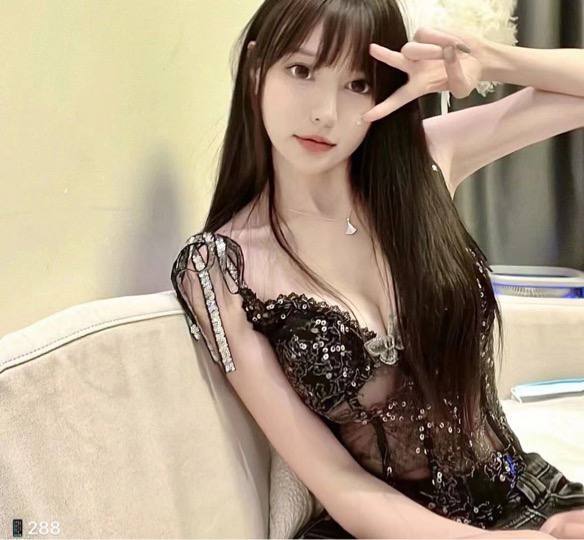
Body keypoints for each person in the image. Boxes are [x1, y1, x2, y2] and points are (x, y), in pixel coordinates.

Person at [170, 0, 584, 537]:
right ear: (255, 70)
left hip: (529, 496)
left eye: (357, 84)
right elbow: (338, 480)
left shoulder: (426, 163)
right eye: (301, 71)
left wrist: (489, 60)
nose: (325, 113)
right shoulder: (219, 268)